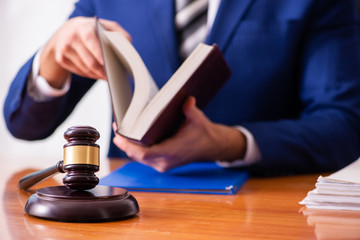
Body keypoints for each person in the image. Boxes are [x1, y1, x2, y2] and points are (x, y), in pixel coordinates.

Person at [4, 0, 360, 175]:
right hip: (133, 213)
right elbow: (24, 124)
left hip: (261, 208)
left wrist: (229, 141)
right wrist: (52, 56)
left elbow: (343, 127)